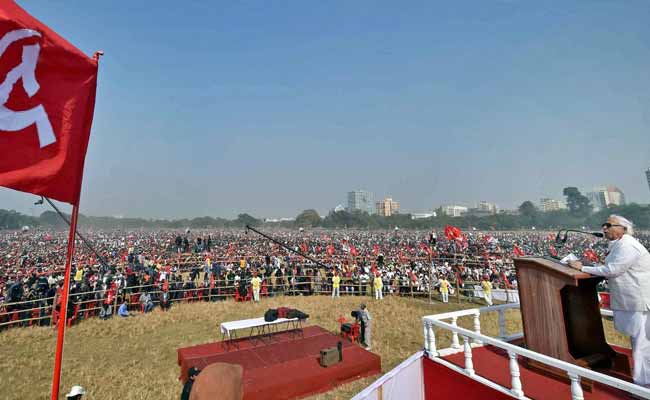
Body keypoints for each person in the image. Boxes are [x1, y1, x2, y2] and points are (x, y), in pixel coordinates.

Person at [569, 215, 650, 387]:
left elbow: (613, 270)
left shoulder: (628, 246)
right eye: (604, 225)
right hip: (633, 301)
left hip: (639, 302)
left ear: (623, 229)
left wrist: (582, 267)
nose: (604, 229)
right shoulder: (620, 245)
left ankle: (644, 385)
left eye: (608, 225)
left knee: (642, 344)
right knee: (641, 342)